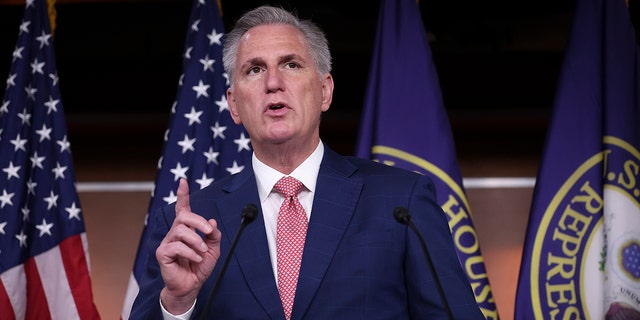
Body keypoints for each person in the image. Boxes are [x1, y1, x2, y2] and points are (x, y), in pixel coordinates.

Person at [130, 5, 484, 320]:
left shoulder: (400, 201)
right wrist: (177, 305)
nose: (273, 83)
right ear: (234, 105)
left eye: (291, 64)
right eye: (254, 70)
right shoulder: (188, 224)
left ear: (325, 91)